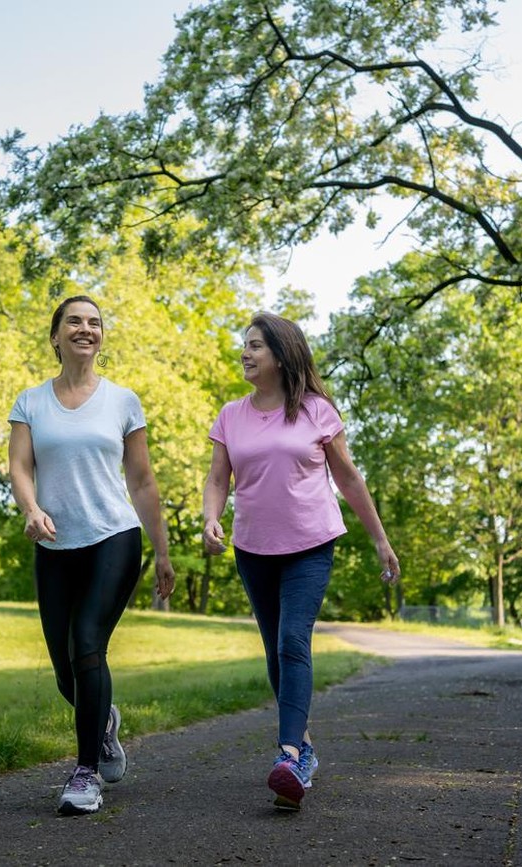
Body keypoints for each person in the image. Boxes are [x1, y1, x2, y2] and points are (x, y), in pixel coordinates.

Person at [202, 312, 400, 811]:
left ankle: (289, 755)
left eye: (255, 346)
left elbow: (349, 479)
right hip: (253, 548)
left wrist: (380, 540)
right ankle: (305, 745)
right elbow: (217, 480)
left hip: (311, 544)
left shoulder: (316, 410)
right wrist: (211, 519)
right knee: (274, 650)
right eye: (244, 346)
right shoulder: (231, 414)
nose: (245, 354)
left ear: (282, 354)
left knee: (294, 640)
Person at [8, 295, 175, 816]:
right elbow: (18, 467)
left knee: (87, 646)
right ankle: (103, 723)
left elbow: (142, 480)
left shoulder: (123, 400)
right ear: (55, 336)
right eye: (74, 322)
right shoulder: (31, 402)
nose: (86, 329)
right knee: (65, 670)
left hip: (113, 536)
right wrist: (32, 509)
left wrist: (163, 552)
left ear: (102, 336)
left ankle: (85, 774)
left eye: (95, 322)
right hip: (55, 542)